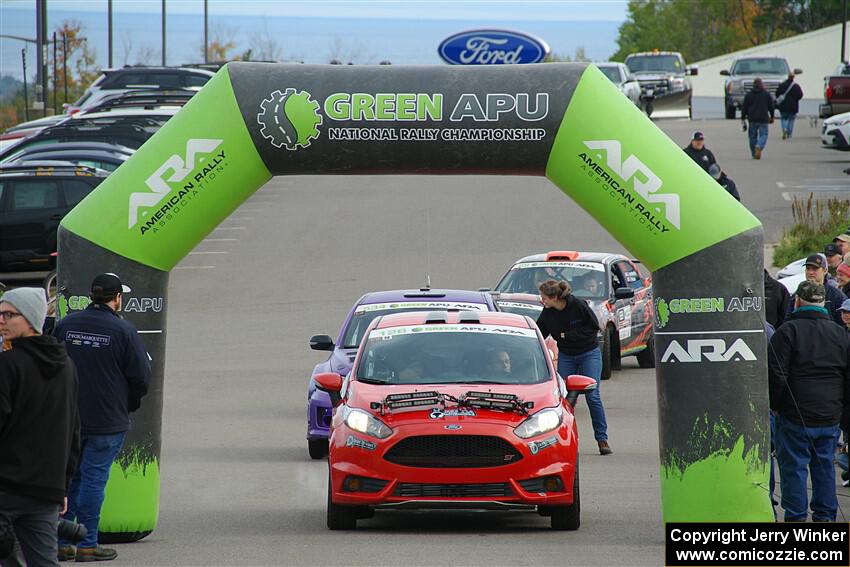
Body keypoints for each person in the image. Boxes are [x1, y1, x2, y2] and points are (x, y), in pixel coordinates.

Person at [52, 274, 151, 562]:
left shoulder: (66, 325)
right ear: (117, 298)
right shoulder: (123, 330)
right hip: (107, 420)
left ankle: (63, 542)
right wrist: (129, 403)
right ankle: (87, 544)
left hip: (69, 417)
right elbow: (141, 376)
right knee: (94, 480)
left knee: (70, 479)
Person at [0, 288, 80, 567]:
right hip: (45, 489)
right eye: (0, 314)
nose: (2, 321)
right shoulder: (66, 365)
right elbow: (73, 431)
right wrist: (63, 486)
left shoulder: (7, 366)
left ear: (31, 319)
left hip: (6, 488)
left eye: (9, 315)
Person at [768, 281, 850, 522]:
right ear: (823, 303)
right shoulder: (840, 334)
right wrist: (842, 411)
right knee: (824, 467)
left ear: (798, 301)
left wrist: (776, 405)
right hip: (830, 414)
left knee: (793, 469)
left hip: (795, 415)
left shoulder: (787, 332)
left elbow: (776, 375)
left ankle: (796, 520)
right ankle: (825, 519)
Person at [536, 280, 612, 455]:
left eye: (544, 298)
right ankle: (561, 441)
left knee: (592, 395)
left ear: (555, 297)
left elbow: (594, 327)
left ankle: (602, 439)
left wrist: (567, 335)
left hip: (588, 353)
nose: (543, 301)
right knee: (563, 398)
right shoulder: (548, 313)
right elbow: (540, 333)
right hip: (566, 356)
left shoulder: (578, 305)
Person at [785, 254, 846, 326]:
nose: (810, 272)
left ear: (825, 271)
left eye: (815, 269)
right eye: (808, 268)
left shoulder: (836, 295)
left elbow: (844, 324)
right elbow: (788, 320)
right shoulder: (798, 294)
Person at [741, 77, 775, 160]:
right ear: (761, 84)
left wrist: (743, 118)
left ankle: (754, 153)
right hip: (763, 118)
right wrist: (772, 116)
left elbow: (744, 107)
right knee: (764, 134)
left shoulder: (749, 95)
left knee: (752, 136)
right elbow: (771, 106)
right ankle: (759, 146)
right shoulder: (766, 94)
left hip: (752, 118)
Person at [775, 72, 803, 140]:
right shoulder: (796, 86)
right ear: (793, 77)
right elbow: (800, 95)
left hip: (783, 106)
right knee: (791, 120)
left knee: (783, 119)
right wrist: (795, 99)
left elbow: (777, 93)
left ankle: (784, 128)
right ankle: (789, 135)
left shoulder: (782, 85)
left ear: (788, 77)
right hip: (793, 106)